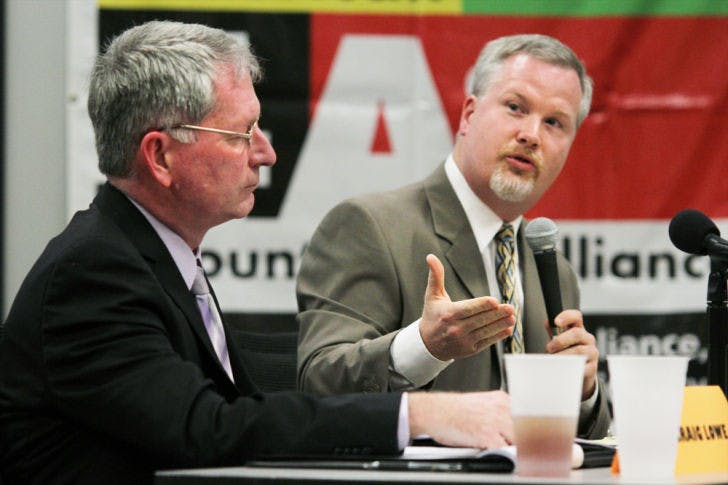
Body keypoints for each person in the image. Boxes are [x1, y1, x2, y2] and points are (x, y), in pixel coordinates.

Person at [0, 21, 515, 484]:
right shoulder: (92, 274)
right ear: (160, 156)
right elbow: (207, 427)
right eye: (241, 133)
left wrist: (420, 345)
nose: (266, 152)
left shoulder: (148, 257)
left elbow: (242, 389)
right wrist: (421, 416)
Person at [297, 34, 611, 438]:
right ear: (468, 114)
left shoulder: (553, 271)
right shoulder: (368, 226)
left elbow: (584, 443)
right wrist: (423, 347)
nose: (531, 134)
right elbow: (318, 383)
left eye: (554, 123)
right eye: (516, 108)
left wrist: (584, 391)